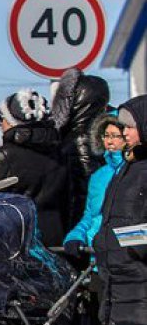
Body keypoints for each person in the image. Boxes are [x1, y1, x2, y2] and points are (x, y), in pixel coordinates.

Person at [63, 114, 130, 325]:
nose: (110, 141)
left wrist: (109, 241)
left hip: (122, 261)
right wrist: (75, 236)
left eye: (115, 135)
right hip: (95, 261)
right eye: (106, 135)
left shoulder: (134, 173)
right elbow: (91, 217)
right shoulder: (100, 176)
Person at [94, 97, 147, 325]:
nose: (124, 133)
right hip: (121, 274)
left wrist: (133, 242)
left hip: (141, 272)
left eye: (129, 126)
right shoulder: (126, 167)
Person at [0, 89, 70, 247]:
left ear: (12, 121)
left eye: (2, 118)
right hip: (54, 234)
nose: (0, 123)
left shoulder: (7, 155)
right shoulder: (59, 152)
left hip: (18, 236)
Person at [53, 67, 112, 229]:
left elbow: (82, 191)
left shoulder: (80, 140)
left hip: (81, 225)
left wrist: (74, 228)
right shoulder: (97, 135)